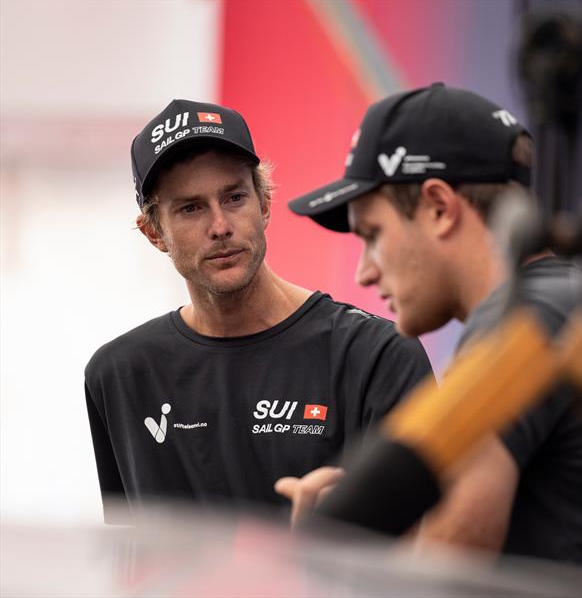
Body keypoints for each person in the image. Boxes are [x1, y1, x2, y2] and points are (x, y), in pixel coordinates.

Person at [284, 83, 582, 588]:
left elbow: (445, 576)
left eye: (372, 235)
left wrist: (326, 569)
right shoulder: (574, 310)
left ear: (438, 206)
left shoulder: (519, 329)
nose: (365, 272)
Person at [84, 99, 432, 524]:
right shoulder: (118, 374)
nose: (220, 226)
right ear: (154, 232)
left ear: (264, 204)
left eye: (234, 198)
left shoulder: (376, 356)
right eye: (190, 208)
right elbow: (129, 556)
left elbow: (429, 553)